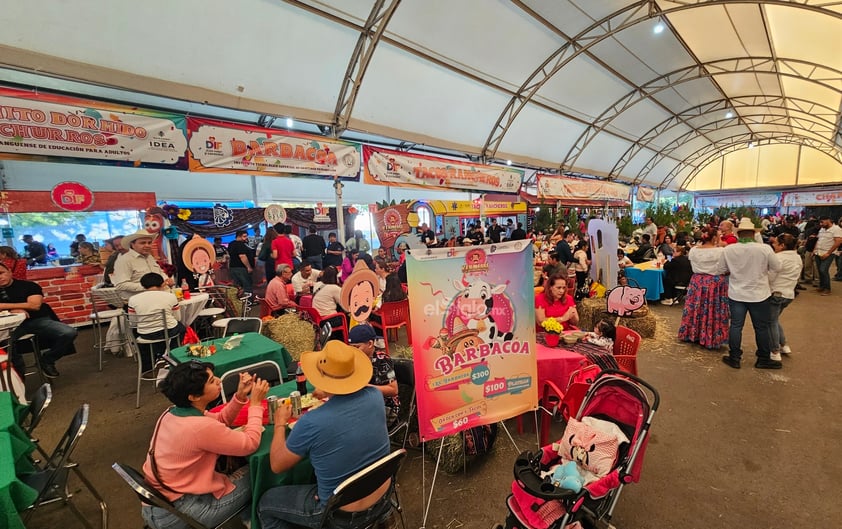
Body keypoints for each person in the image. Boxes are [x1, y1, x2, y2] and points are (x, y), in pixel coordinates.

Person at [258, 341, 391, 529]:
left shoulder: (311, 422)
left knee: (265, 503)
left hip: (339, 512)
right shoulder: (375, 397)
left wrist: (280, 423)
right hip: (383, 494)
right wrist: (331, 393)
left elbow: (277, 465)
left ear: (321, 379)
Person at [141, 361, 269, 529]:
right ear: (193, 397)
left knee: (242, 465)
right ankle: (259, 522)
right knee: (262, 471)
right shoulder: (198, 427)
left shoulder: (171, 413)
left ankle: (249, 519)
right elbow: (251, 443)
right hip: (182, 512)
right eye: (211, 381)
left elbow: (221, 420)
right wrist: (255, 404)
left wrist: (240, 397)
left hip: (159, 505)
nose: (218, 380)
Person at [716, 218, 781, 370]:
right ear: (753, 233)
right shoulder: (764, 249)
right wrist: (766, 278)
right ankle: (763, 358)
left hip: (736, 293)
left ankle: (735, 358)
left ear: (739, 234)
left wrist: (735, 271)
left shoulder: (729, 249)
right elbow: (777, 267)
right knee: (761, 327)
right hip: (759, 293)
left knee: (736, 326)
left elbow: (720, 270)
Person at [0, 262, 77, 379]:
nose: (0, 277)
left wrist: (6, 306)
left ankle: (47, 360)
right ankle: (16, 376)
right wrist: (12, 310)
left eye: (1, 273)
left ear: (10, 272)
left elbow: (35, 305)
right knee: (5, 343)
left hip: (36, 320)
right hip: (9, 326)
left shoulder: (28, 286)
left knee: (69, 332)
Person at [678, 226, 729, 349]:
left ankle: (692, 333)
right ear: (715, 238)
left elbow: (692, 263)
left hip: (697, 281)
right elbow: (725, 268)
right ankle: (711, 336)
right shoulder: (721, 251)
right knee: (712, 308)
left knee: (696, 306)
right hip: (714, 282)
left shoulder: (694, 250)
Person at [128, 273, 187, 372]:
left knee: (136, 332)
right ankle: (169, 357)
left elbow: (133, 322)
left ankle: (148, 366)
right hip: (168, 331)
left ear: (143, 285)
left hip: (146, 334)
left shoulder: (133, 299)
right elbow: (177, 317)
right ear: (162, 284)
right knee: (181, 328)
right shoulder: (170, 296)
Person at [347, 324, 400, 426]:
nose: (353, 351)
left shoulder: (383, 360)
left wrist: (366, 387)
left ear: (370, 344)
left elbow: (394, 390)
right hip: (362, 403)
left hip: (385, 407)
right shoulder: (354, 358)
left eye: (356, 347)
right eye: (351, 347)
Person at [112, 229, 173, 300]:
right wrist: (148, 287)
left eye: (149, 243)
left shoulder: (149, 257)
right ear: (132, 244)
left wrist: (166, 279)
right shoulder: (124, 260)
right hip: (138, 301)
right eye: (143, 243)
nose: (147, 245)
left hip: (157, 298)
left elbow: (159, 272)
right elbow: (121, 285)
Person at [768, 234, 801, 362]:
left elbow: (771, 277)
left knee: (770, 322)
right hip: (789, 294)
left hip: (776, 293)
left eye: (775, 243)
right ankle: (784, 344)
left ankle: (774, 351)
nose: (773, 245)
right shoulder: (797, 257)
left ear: (782, 246)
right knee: (774, 320)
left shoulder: (778, 258)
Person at [813, 216, 842, 295]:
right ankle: (822, 286)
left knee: (823, 270)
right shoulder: (822, 229)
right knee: (819, 270)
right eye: (820, 222)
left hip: (829, 253)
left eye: (822, 222)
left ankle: (827, 288)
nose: (821, 224)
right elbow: (818, 240)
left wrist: (828, 253)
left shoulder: (836, 229)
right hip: (818, 252)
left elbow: (838, 242)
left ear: (828, 220)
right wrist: (814, 250)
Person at [228, 230, 255, 294]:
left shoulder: (231, 244)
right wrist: (248, 267)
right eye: (244, 236)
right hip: (241, 268)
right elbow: (242, 256)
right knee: (247, 286)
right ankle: (248, 301)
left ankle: (239, 301)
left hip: (233, 267)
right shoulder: (240, 245)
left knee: (238, 287)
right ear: (239, 236)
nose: (246, 238)